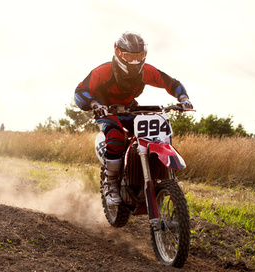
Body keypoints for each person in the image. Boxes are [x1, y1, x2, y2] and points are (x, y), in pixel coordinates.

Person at [74, 32, 192, 205]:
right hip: (106, 111)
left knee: (155, 133)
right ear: (119, 53)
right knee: (115, 136)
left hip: (130, 109)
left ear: (144, 55)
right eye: (130, 56)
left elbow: (172, 83)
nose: (135, 61)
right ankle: (111, 184)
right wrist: (93, 105)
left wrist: (184, 99)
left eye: (139, 56)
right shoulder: (103, 71)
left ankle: (156, 178)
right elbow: (80, 91)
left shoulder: (146, 71)